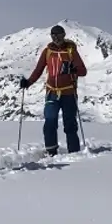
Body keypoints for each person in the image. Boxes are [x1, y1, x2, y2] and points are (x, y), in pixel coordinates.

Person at [19, 24, 88, 156]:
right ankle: (51, 151)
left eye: (59, 35)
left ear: (64, 35)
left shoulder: (71, 51)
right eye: (54, 35)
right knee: (50, 121)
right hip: (52, 92)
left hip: (69, 93)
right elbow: (38, 70)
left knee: (70, 124)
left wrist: (72, 69)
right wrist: (28, 82)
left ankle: (74, 153)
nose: (56, 38)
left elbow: (83, 71)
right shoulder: (47, 52)